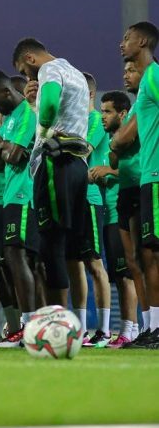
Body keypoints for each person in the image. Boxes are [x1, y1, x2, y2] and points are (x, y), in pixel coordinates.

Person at [12, 37, 90, 308]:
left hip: (55, 161)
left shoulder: (49, 69)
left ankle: (57, 320)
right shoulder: (76, 73)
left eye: (24, 70)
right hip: (78, 164)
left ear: (30, 58)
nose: (27, 77)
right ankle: (74, 321)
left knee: (50, 245)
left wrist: (44, 129)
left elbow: (50, 108)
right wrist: (35, 104)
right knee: (69, 250)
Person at [0, 69, 39, 346]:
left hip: (24, 195)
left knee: (18, 256)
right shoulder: (11, 120)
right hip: (8, 197)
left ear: (6, 92)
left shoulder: (27, 114)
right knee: (1, 262)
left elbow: (11, 156)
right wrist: (4, 148)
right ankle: (17, 327)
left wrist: (4, 148)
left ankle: (29, 325)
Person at [110, 59, 157, 347]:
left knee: (149, 255)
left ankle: (154, 325)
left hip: (143, 182)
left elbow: (122, 140)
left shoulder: (145, 101)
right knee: (134, 261)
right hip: (127, 189)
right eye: (124, 70)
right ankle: (148, 325)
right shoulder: (139, 104)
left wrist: (119, 140)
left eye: (132, 70)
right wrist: (118, 141)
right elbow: (115, 152)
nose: (126, 74)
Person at [90, 90, 138, 347]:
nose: (103, 116)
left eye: (107, 111)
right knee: (120, 274)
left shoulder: (133, 136)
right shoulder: (112, 141)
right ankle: (132, 328)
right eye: (102, 111)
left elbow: (136, 168)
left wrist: (108, 170)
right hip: (111, 212)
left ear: (123, 113)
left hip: (127, 208)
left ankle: (130, 329)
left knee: (127, 273)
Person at [125, 20, 159, 348]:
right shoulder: (147, 79)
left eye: (128, 38)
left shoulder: (154, 75)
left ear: (143, 42)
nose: (122, 44)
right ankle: (153, 327)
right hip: (149, 176)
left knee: (156, 253)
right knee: (150, 253)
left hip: (157, 175)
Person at [76, 72, 113, 346]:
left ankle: (104, 330)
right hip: (72, 199)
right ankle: (79, 329)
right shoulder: (75, 122)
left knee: (95, 263)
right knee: (74, 263)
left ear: (88, 94)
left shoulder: (95, 121)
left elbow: (82, 150)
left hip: (90, 199)